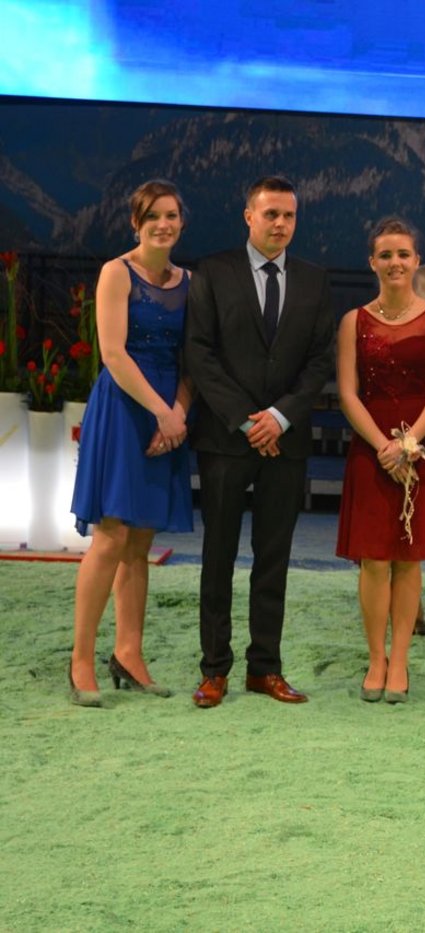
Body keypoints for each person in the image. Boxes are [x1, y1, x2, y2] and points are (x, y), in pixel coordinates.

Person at [184, 175, 337, 708]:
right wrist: (248, 422)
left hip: (285, 443)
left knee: (273, 560)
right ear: (248, 216)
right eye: (271, 214)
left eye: (289, 215)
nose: (280, 224)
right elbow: (199, 353)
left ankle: (265, 669)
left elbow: (320, 361)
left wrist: (280, 417)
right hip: (226, 439)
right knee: (218, 558)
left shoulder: (315, 281)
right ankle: (214, 670)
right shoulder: (212, 271)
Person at [67, 179, 193, 707]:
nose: (163, 224)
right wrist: (161, 412)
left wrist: (178, 413)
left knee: (141, 541)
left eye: (171, 215)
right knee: (112, 536)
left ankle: (129, 654)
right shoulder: (115, 273)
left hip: (169, 414)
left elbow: (193, 359)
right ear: (135, 223)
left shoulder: (190, 282)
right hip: (124, 408)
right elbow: (113, 354)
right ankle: (80, 661)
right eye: (152, 216)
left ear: (181, 223)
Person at [335, 218, 425, 703]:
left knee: (407, 560)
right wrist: (383, 447)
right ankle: (376, 659)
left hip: (424, 445)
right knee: (373, 560)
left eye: (403, 254)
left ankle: (400, 659)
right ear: (372, 262)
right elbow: (348, 393)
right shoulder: (353, 321)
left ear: (417, 261)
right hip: (371, 448)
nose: (395, 263)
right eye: (385, 255)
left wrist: (409, 443)